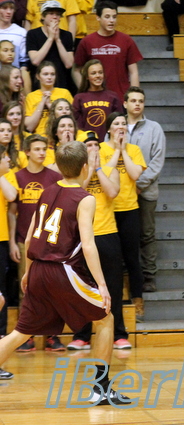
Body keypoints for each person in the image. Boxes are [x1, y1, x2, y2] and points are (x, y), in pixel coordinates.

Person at [0, 141, 130, 405]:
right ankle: (101, 389)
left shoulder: (46, 191)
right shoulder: (85, 198)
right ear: (85, 167)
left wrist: (28, 272)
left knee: (20, 333)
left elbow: (32, 233)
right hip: (63, 270)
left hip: (38, 268)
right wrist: (102, 284)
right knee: (106, 318)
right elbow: (88, 244)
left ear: (59, 166)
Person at [68, 132, 128, 350]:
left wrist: (99, 168)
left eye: (96, 145)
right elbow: (77, 193)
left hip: (108, 234)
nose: (93, 148)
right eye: (89, 145)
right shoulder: (77, 175)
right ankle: (82, 336)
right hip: (83, 237)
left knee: (113, 286)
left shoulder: (111, 171)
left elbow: (112, 192)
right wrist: (89, 170)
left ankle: (118, 334)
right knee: (83, 286)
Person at [7, 133, 62, 351]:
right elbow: (12, 212)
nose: (41, 153)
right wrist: (13, 242)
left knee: (53, 288)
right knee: (27, 288)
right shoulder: (18, 176)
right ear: (27, 152)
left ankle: (52, 336)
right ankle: (26, 336)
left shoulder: (54, 177)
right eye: (37, 149)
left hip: (50, 242)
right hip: (24, 240)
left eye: (44, 149)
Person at [100, 112, 147, 322]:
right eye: (116, 123)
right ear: (109, 129)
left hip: (129, 209)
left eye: (123, 123)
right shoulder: (101, 149)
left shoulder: (134, 150)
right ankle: (112, 301)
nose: (120, 126)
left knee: (132, 258)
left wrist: (123, 151)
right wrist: (116, 151)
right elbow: (104, 172)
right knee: (112, 260)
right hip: (108, 211)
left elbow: (135, 174)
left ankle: (137, 301)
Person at [124, 87, 166, 294]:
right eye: (133, 100)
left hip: (146, 192)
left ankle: (149, 276)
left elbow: (157, 162)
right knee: (124, 234)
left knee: (146, 234)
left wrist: (138, 185)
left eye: (140, 101)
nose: (137, 104)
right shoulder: (117, 125)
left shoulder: (154, 128)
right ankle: (127, 275)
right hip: (121, 194)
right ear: (125, 104)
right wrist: (127, 186)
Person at [74, 1, 143, 100]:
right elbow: (76, 70)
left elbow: (134, 72)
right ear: (98, 18)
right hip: (96, 99)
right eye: (107, 17)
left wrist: (133, 97)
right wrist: (85, 93)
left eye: (114, 17)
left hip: (120, 98)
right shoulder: (87, 41)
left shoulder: (126, 40)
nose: (111, 21)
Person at [26, 0, 74, 92]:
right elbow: (35, 61)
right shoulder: (32, 34)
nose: (55, 17)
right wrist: (50, 38)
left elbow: (69, 64)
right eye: (51, 13)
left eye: (58, 14)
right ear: (43, 16)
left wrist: (58, 40)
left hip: (62, 84)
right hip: (39, 86)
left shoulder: (67, 35)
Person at [72, 59, 123, 140]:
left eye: (100, 72)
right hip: (87, 142)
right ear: (87, 77)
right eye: (93, 73)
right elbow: (77, 125)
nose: (98, 76)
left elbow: (119, 121)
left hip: (108, 142)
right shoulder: (79, 98)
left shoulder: (113, 96)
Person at [24, 61, 73, 136]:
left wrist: (50, 105)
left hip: (60, 135)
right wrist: (42, 103)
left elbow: (70, 120)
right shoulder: (31, 96)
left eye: (52, 74)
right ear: (38, 76)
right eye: (45, 74)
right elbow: (30, 127)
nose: (49, 77)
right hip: (38, 137)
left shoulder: (64, 93)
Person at [0, 145, 16, 351]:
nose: (8, 161)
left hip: (1, 239)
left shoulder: (5, 178)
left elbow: (12, 196)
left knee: (1, 292)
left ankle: (1, 333)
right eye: (4, 158)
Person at [0, 0, 30, 93]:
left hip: (13, 83)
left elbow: (24, 62)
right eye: (4, 8)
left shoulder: (21, 32)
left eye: (11, 8)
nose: (9, 12)